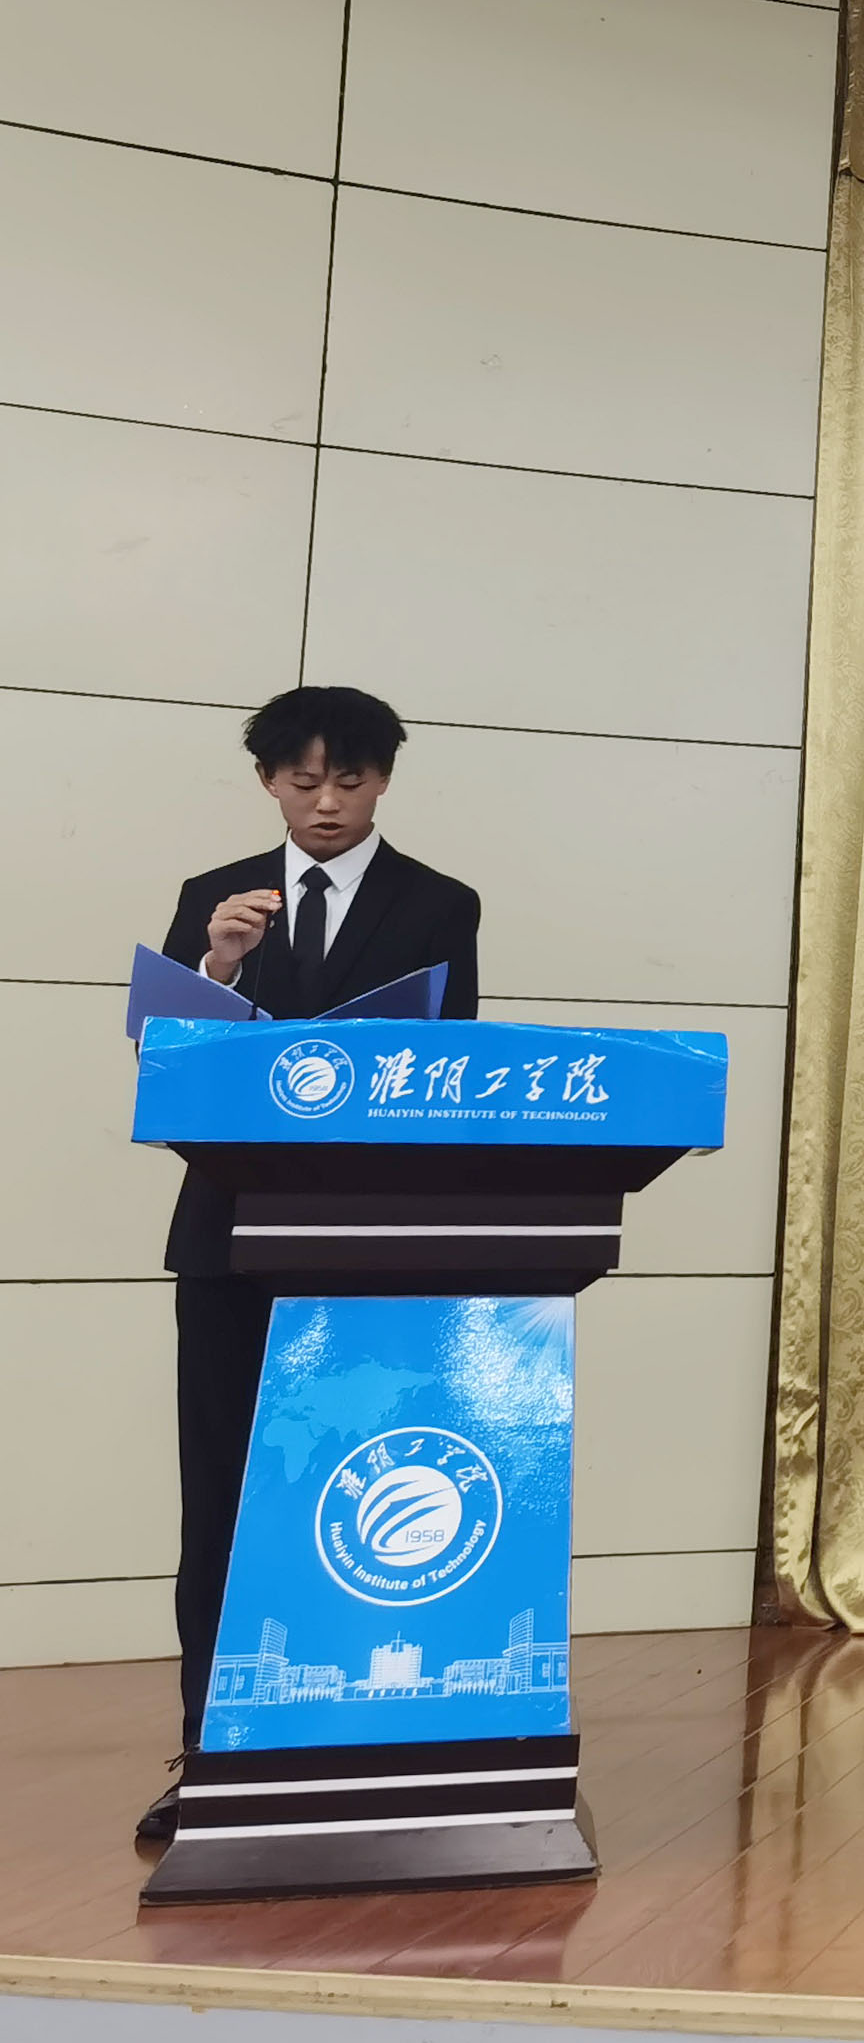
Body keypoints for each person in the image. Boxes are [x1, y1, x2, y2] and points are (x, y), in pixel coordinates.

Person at [140, 686, 480, 1843]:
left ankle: (357, 1740)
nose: (326, 803)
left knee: (359, 1494)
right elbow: (168, 1064)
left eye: (350, 780)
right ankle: (210, 1750)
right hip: (228, 1240)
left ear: (384, 780)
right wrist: (219, 968)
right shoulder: (216, 897)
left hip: (373, 1242)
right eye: (303, 781)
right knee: (221, 1497)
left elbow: (449, 1072)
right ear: (268, 783)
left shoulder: (440, 904)